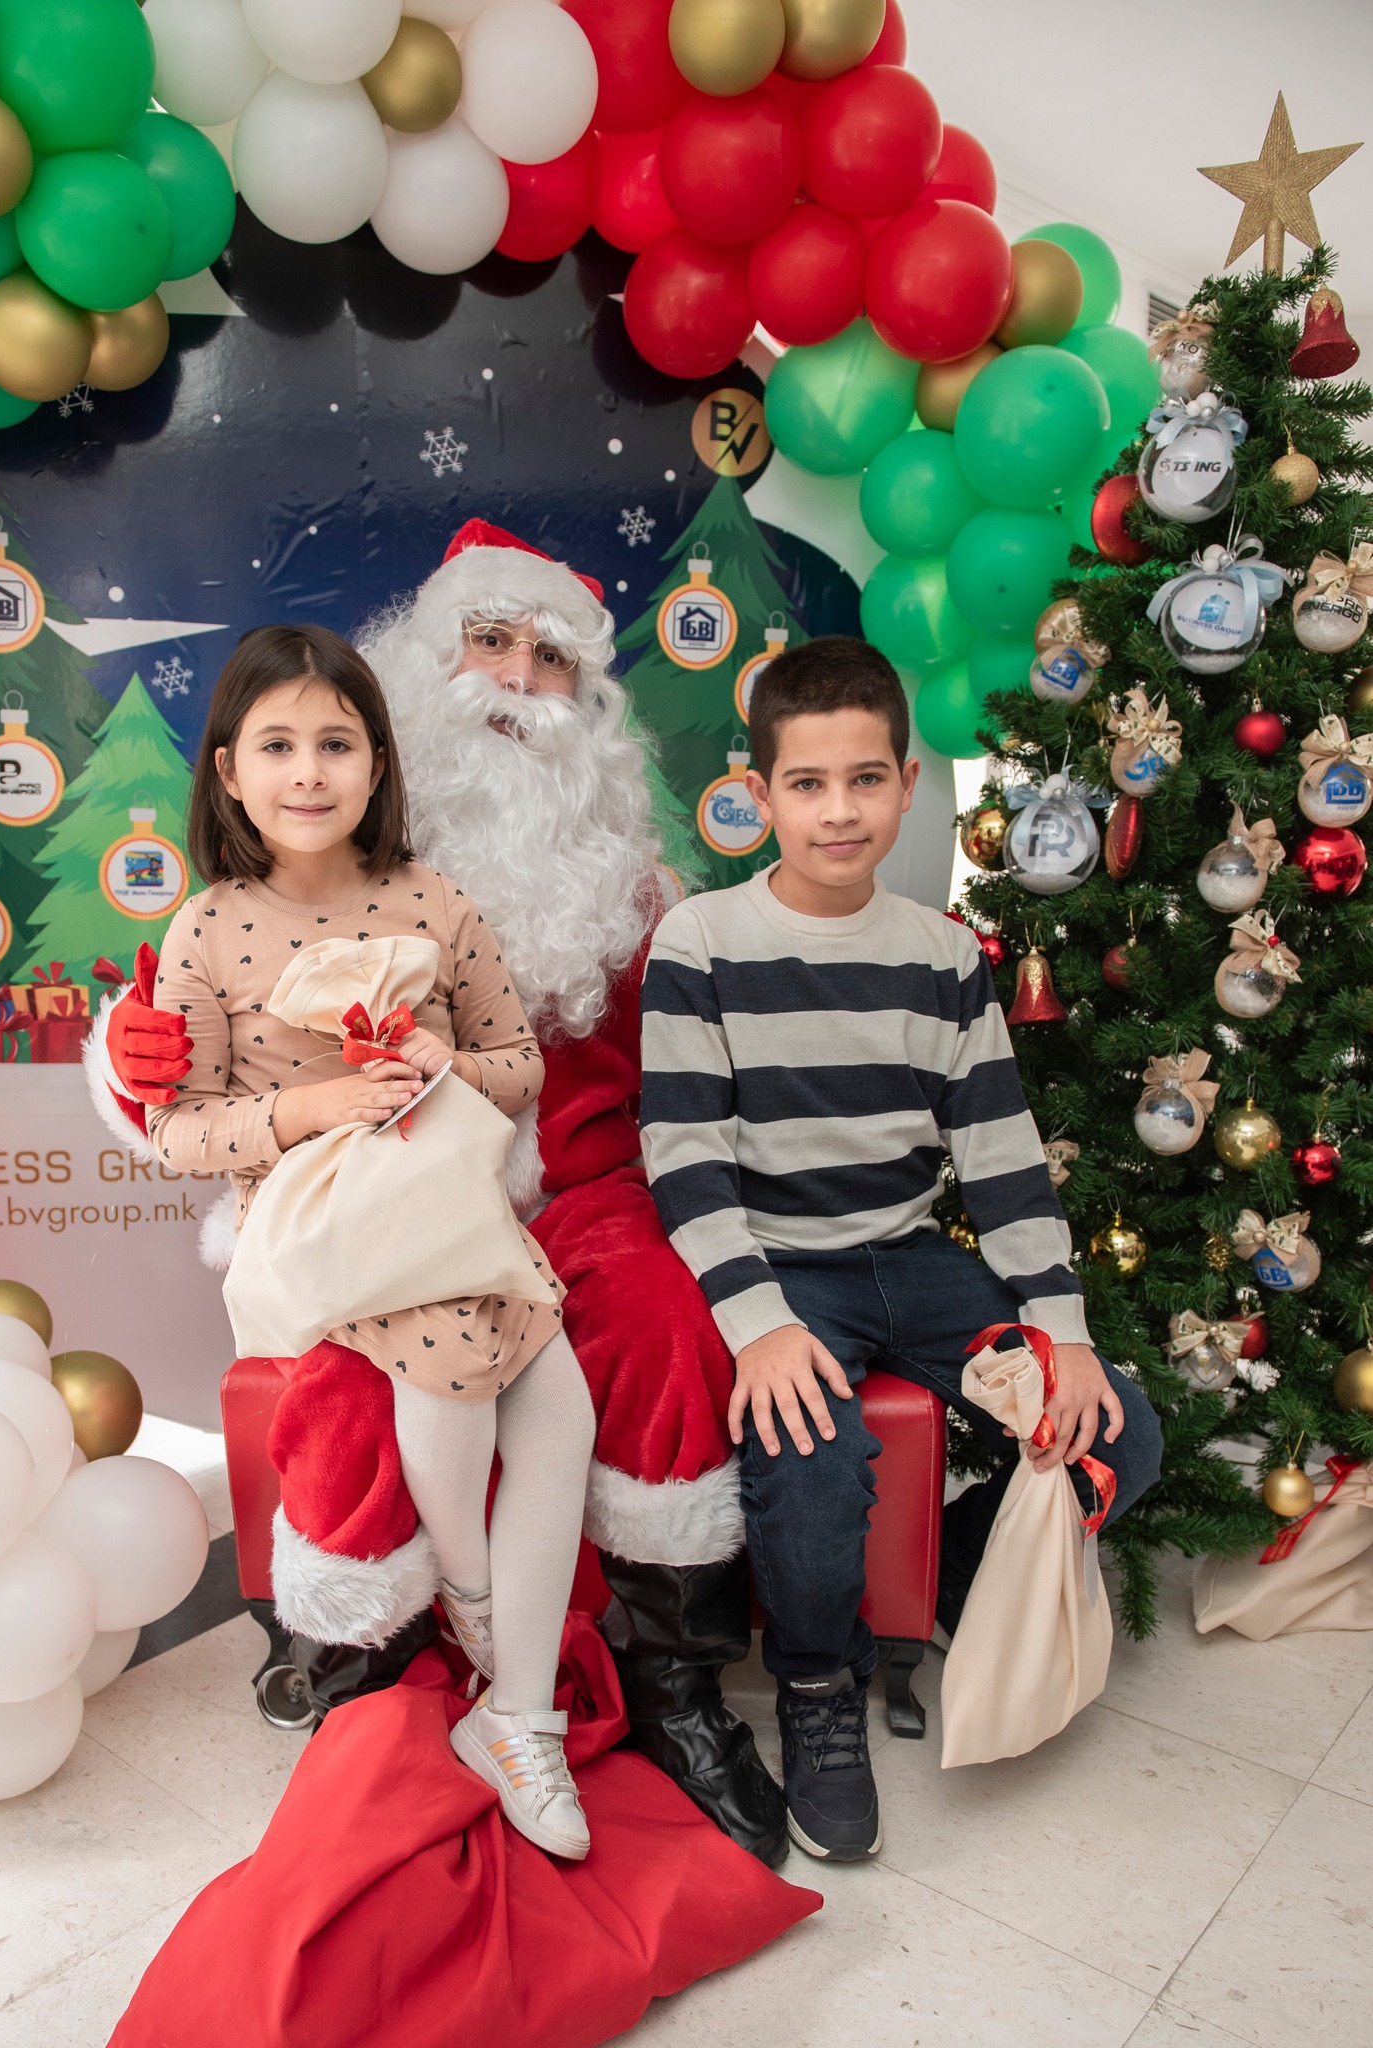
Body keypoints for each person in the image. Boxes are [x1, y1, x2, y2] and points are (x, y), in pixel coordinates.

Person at [88, 523, 788, 1867]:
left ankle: (675, 1682)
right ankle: (373, 1690)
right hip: (372, 1206)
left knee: (654, 1323)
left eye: (550, 658)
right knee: (350, 1405)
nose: (518, 681)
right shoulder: (272, 889)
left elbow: (666, 1079)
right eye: (490, 642)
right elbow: (180, 1082)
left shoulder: (630, 887)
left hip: (581, 1184)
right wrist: (136, 1064)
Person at [638, 636, 1164, 1863]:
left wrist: (1063, 1332)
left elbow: (1000, 1157)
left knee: (1122, 1433)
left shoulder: (943, 954)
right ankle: (818, 1686)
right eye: (806, 783)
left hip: (912, 1259)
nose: (838, 809)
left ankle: (948, 1581)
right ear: (758, 794)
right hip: (781, 1269)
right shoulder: (700, 942)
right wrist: (758, 1324)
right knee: (810, 1461)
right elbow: (684, 1157)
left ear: (907, 783)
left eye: (864, 779)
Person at [145, 620, 597, 1860]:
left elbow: (519, 1065)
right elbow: (177, 1131)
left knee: (559, 1409)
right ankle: (489, 1619)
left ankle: (514, 1717)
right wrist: (313, 1107)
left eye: (336, 743)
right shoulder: (206, 928)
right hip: (328, 1231)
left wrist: (447, 1062)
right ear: (229, 769)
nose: (308, 772)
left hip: (445, 1202)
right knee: (453, 1362)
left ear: (378, 761)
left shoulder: (433, 899)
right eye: (277, 745)